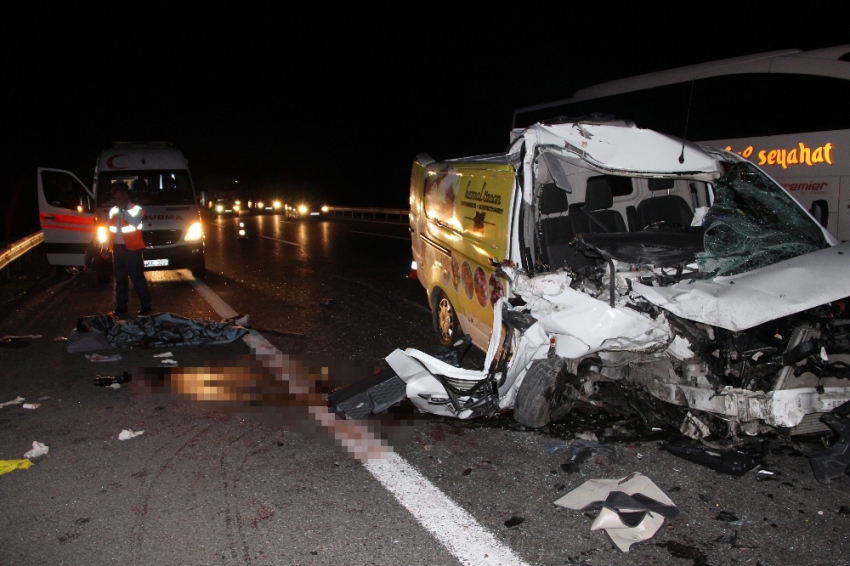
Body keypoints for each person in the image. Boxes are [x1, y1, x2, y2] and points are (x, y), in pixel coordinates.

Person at [107, 182, 152, 316]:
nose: (118, 201)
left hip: (132, 250)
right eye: (115, 198)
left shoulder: (135, 209)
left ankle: (146, 306)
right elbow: (109, 230)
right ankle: (121, 307)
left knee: (137, 278)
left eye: (120, 198)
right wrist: (106, 247)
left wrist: (123, 211)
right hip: (117, 250)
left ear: (126, 196)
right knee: (120, 280)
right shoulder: (113, 210)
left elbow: (135, 222)